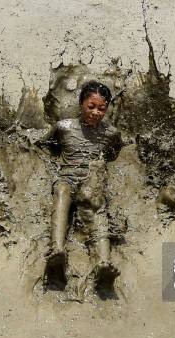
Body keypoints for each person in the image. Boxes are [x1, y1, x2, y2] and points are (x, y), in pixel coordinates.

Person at [39, 80, 123, 290]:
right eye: (91, 106)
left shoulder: (111, 133)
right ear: (81, 104)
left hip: (91, 184)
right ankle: (57, 250)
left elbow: (115, 154)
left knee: (97, 206)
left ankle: (103, 263)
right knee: (61, 190)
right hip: (66, 179)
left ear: (107, 109)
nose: (95, 112)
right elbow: (43, 146)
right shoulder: (64, 127)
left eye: (101, 108)